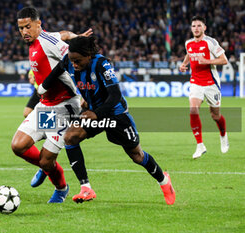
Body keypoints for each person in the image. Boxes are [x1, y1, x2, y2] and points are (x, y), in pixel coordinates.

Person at [37, 36, 175, 205]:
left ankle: (164, 181)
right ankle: (86, 188)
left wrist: (97, 113)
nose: (74, 64)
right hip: (93, 113)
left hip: (116, 115)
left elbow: (115, 95)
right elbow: (58, 69)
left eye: (78, 61)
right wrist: (43, 87)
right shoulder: (69, 61)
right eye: (72, 61)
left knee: (137, 156)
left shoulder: (101, 64)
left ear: (88, 55)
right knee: (70, 137)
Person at [11, 7, 92, 203]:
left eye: (28, 27)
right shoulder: (39, 40)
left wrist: (84, 93)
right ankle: (47, 168)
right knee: (18, 146)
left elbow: (75, 59)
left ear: (39, 24)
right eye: (21, 28)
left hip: (65, 106)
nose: (24, 32)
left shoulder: (48, 42)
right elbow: (63, 34)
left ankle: (61, 188)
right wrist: (75, 36)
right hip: (46, 105)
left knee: (47, 159)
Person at [179, 16, 229, 159]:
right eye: (194, 26)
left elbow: (224, 60)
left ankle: (223, 135)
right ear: (191, 28)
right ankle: (200, 145)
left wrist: (207, 60)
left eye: (199, 26)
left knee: (215, 115)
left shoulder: (210, 42)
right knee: (193, 110)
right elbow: (189, 54)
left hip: (211, 84)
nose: (196, 28)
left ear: (204, 28)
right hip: (196, 82)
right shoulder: (188, 43)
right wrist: (184, 64)